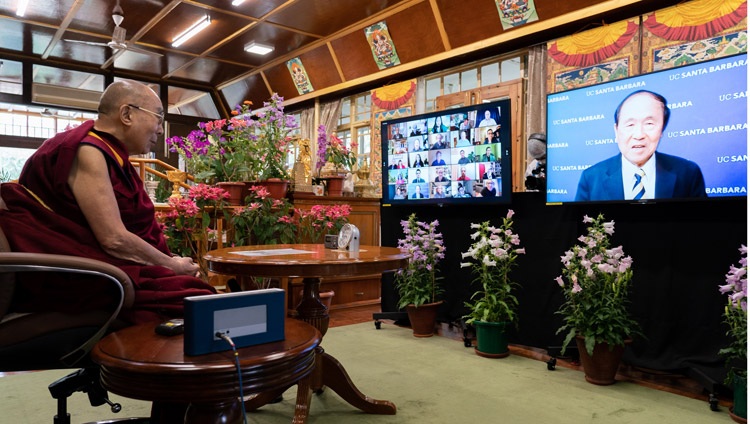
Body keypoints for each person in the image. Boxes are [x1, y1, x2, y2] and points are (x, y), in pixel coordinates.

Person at [0, 80, 216, 324]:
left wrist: (168, 261)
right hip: (81, 273)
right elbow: (113, 239)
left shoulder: (110, 153)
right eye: (158, 117)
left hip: (101, 261)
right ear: (126, 114)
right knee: (196, 299)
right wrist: (170, 265)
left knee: (195, 290)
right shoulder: (88, 151)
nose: (160, 130)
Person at [575, 90, 706, 201]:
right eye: (630, 125)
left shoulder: (688, 173)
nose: (639, 135)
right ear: (616, 130)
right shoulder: (591, 178)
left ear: (662, 130)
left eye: (649, 124)